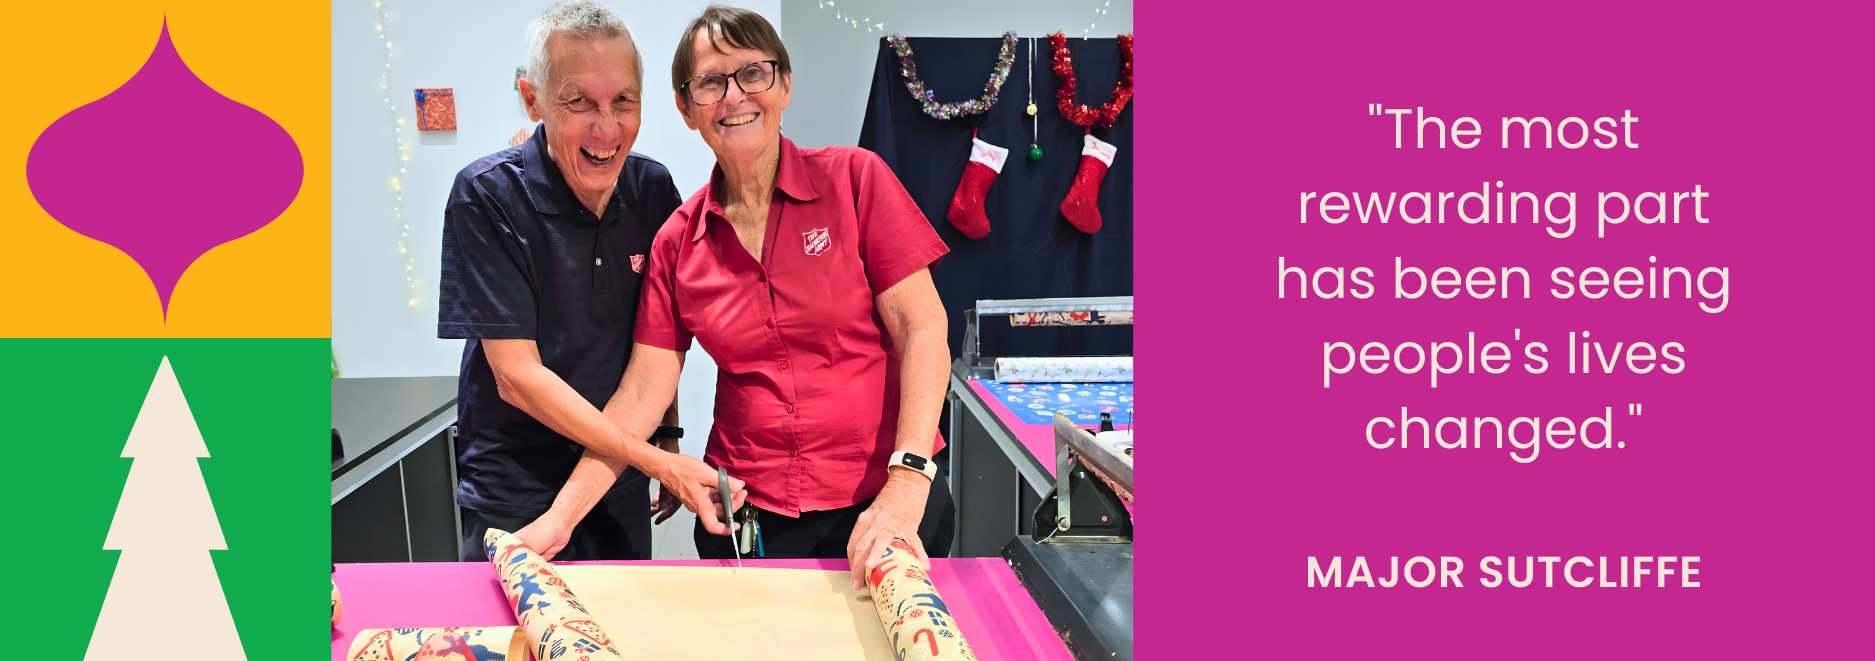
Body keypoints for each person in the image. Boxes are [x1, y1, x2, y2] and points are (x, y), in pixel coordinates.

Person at [521, 5, 955, 591]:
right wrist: (559, 519)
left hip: (885, 499)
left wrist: (908, 481)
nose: (734, 96)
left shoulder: (855, 181)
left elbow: (922, 327)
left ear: (784, 85)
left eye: (753, 73)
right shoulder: (678, 241)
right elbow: (644, 392)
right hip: (749, 511)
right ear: (686, 107)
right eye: (709, 82)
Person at [436, 0, 742, 562]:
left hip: (614, 476)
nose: (607, 128)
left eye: (623, 101)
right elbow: (517, 377)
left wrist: (667, 431)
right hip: (516, 483)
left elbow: (658, 337)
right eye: (579, 101)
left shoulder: (652, 190)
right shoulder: (486, 196)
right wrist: (660, 462)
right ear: (533, 99)